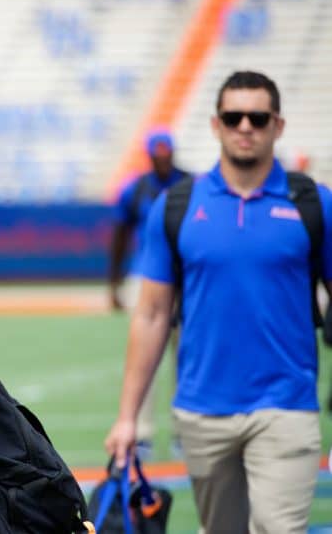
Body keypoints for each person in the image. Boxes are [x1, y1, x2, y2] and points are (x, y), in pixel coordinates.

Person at [104, 70, 331, 533]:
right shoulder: (177, 206)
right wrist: (127, 418)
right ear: (216, 125)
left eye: (258, 117)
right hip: (203, 411)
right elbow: (151, 315)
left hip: (286, 406)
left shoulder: (314, 203)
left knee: (279, 528)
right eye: (234, 116)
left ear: (277, 125)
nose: (245, 126)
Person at [106, 129, 187, 459]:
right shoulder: (136, 189)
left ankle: (186, 430)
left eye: (167, 152)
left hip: (185, 276)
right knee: (145, 354)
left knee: (186, 354)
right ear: (150, 154)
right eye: (158, 152)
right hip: (148, 275)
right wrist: (114, 283)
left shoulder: (190, 186)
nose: (163, 158)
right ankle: (140, 432)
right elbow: (120, 234)